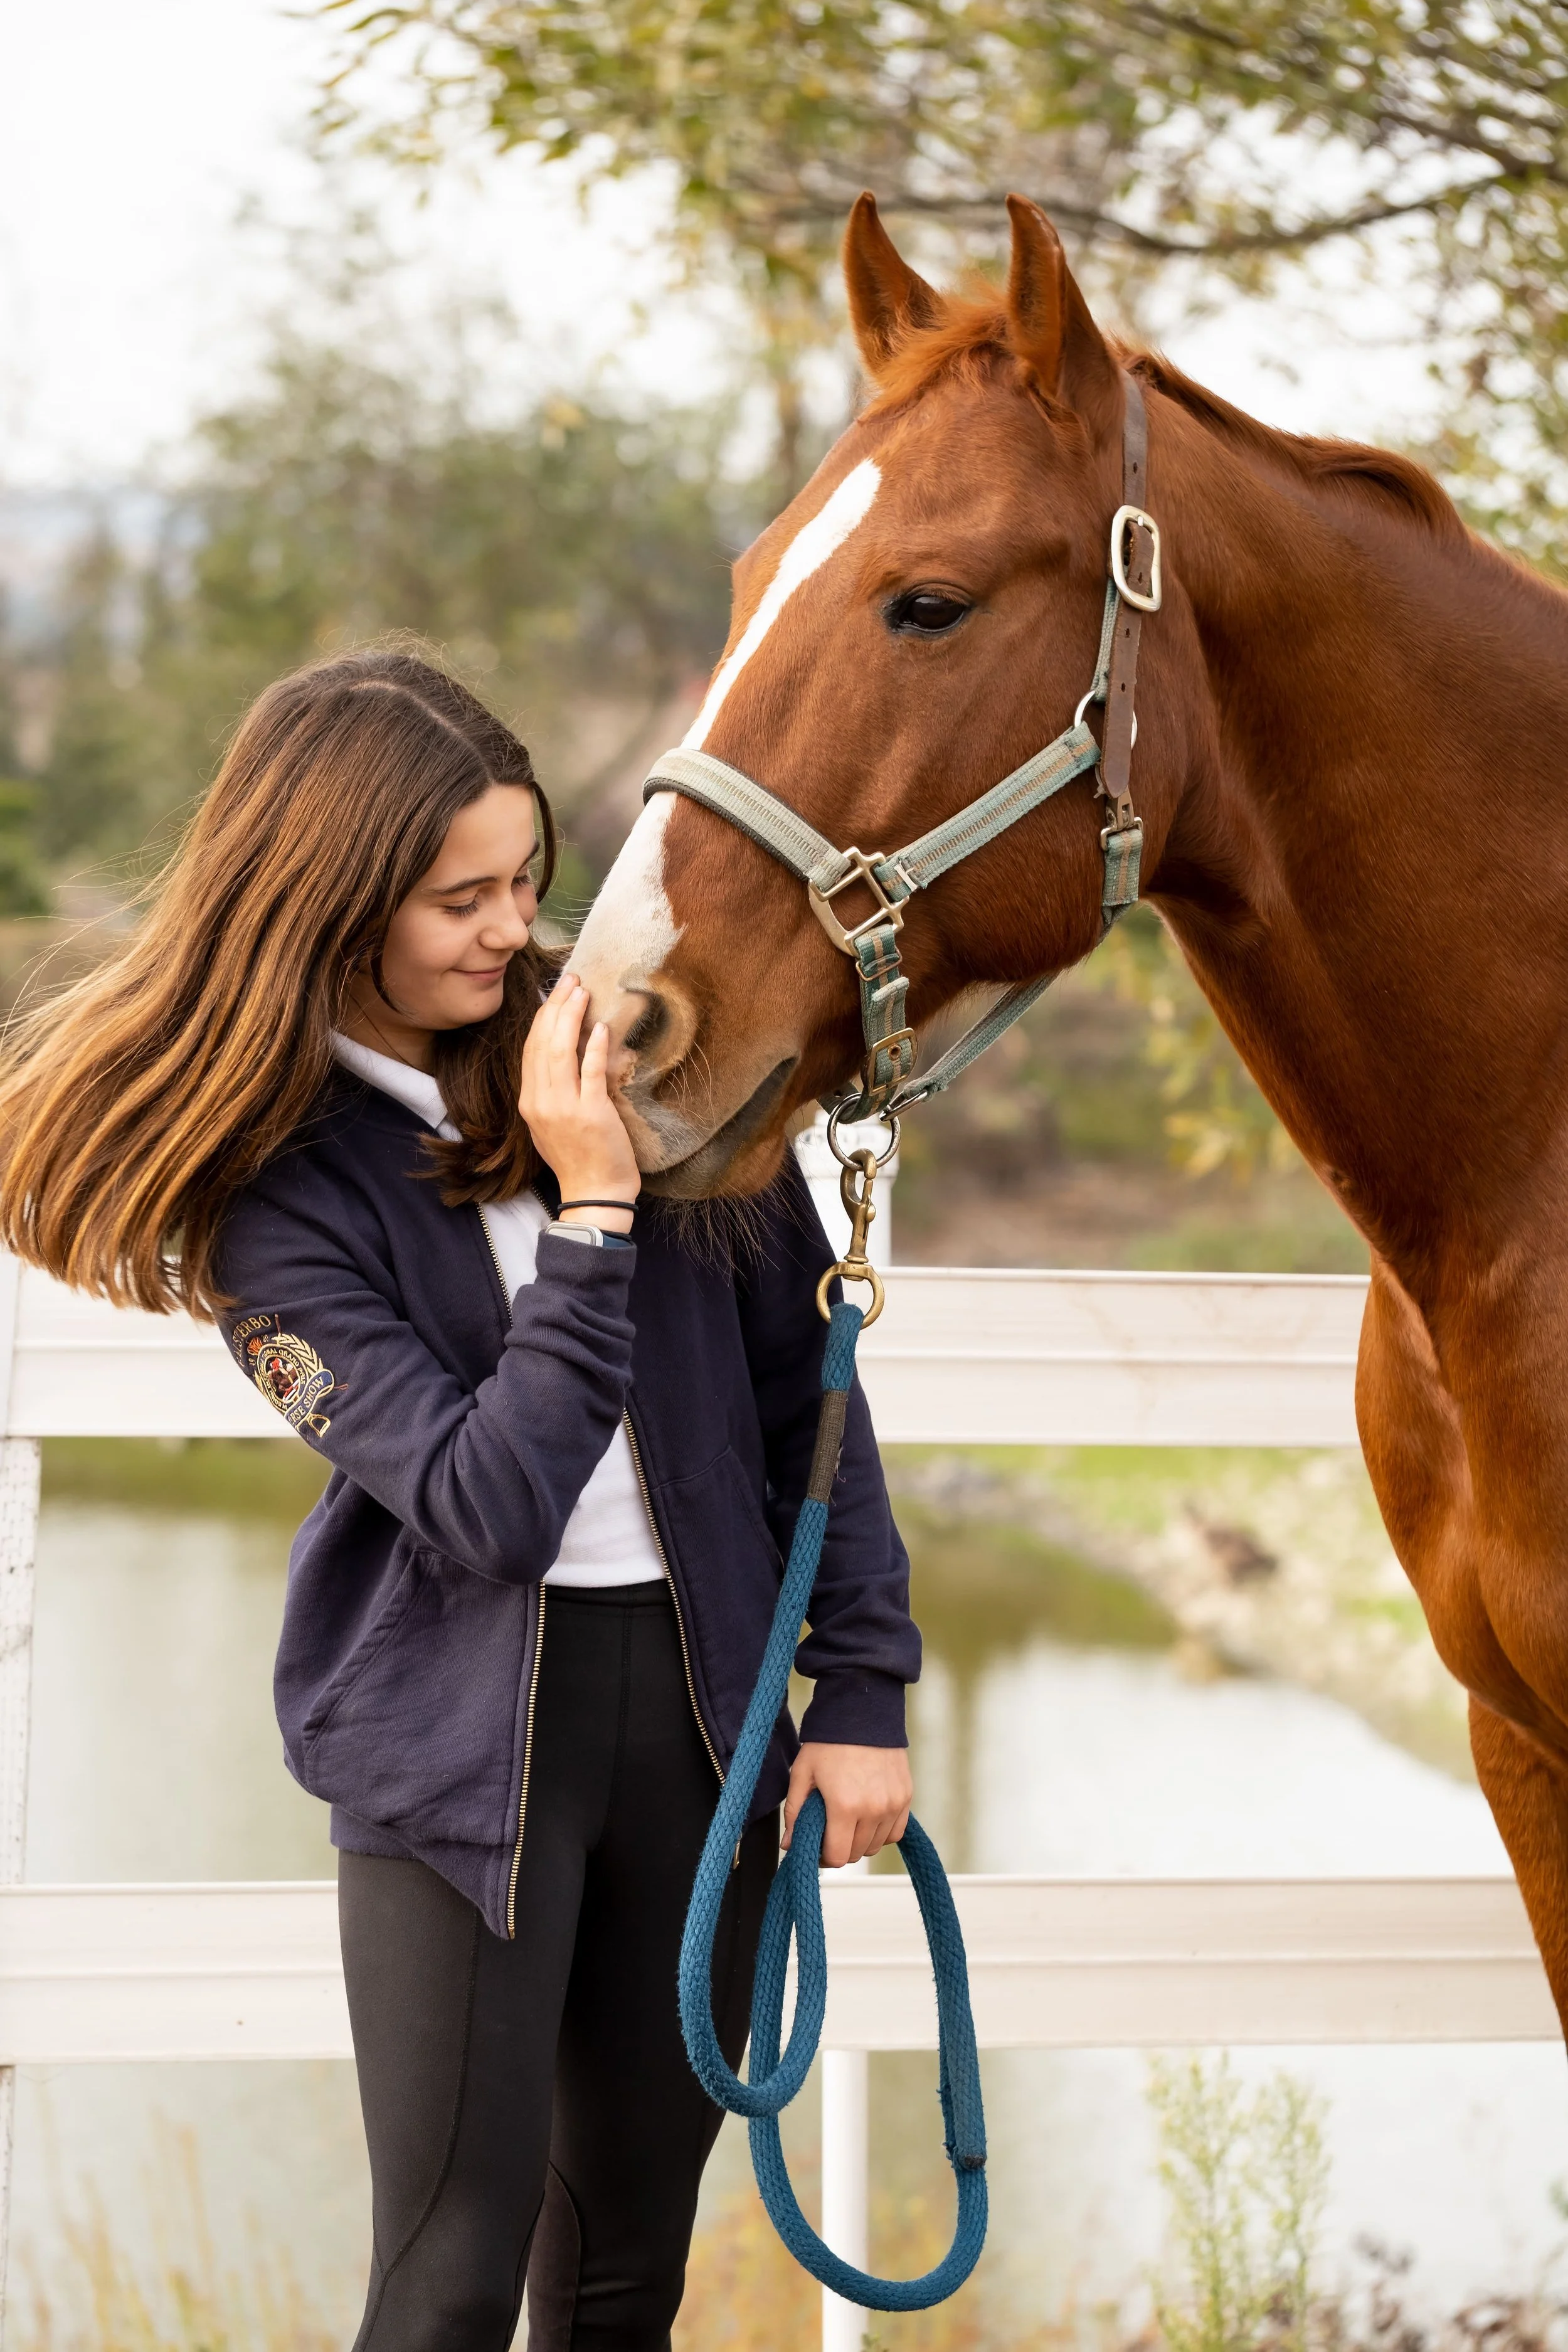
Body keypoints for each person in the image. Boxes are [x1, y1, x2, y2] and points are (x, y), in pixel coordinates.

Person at [0, 646, 919, 2352]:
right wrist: (591, 1212)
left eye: (525, 882)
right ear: (332, 906)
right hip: (452, 1752)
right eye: (459, 898)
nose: (513, 931)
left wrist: (861, 1685)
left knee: (632, 2255)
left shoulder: (636, 1046)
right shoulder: (272, 1204)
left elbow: (813, 1393)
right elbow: (487, 1502)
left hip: (706, 1719)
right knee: (447, 2273)